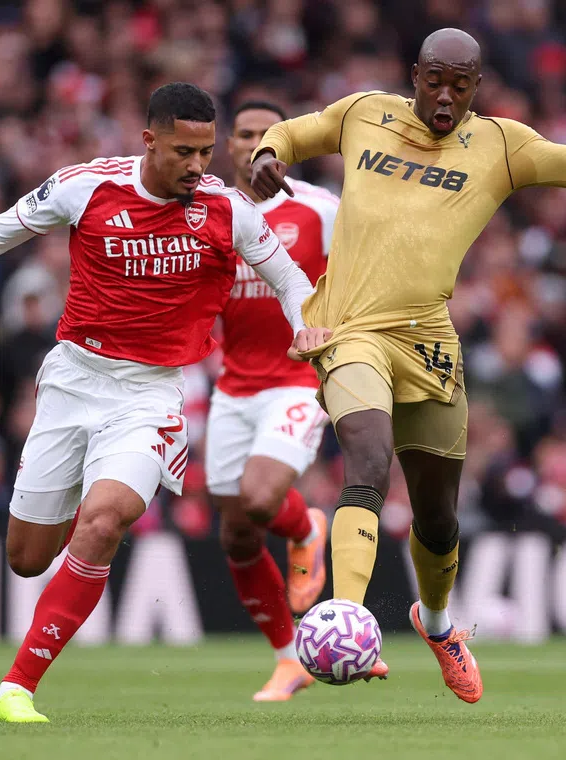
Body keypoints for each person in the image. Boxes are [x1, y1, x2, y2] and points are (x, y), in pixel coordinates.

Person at [0, 82, 328, 723]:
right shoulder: (85, 186)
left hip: (150, 394)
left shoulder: (228, 210)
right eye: (184, 152)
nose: (199, 167)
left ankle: (17, 688)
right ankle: (61, 565)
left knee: (104, 520)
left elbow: (288, 279)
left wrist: (304, 327)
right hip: (72, 384)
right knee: (27, 558)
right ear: (149, 141)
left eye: (206, 152)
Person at [250, 28, 566, 703]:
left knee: (438, 520)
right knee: (368, 462)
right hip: (349, 331)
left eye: (460, 86)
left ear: (477, 87)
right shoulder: (364, 112)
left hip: (428, 344)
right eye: (435, 80)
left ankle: (436, 625)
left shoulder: (500, 144)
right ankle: (349, 618)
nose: (445, 96)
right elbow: (291, 133)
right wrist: (264, 153)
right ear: (415, 74)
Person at [208, 101, 338, 701]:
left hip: (298, 378)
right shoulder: (205, 212)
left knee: (261, 498)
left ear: (286, 146)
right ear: (226, 145)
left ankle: (306, 525)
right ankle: (290, 661)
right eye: (245, 134)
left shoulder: (320, 210)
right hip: (233, 385)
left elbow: (357, 283)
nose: (256, 142)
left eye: (269, 135)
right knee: (236, 535)